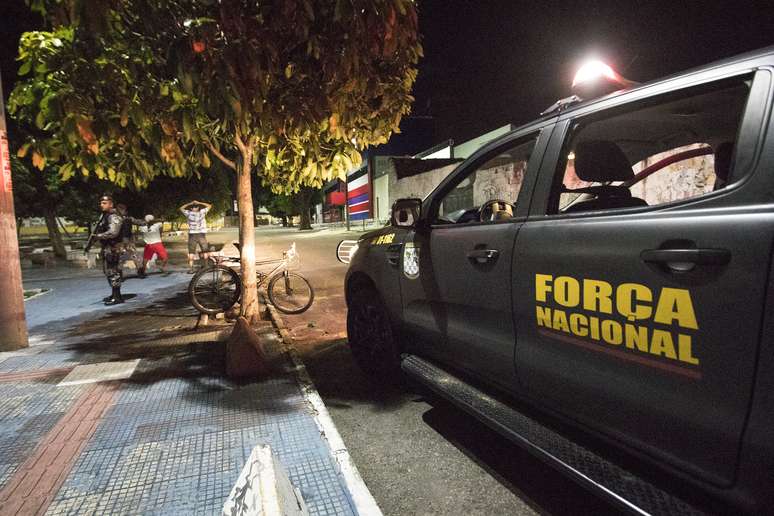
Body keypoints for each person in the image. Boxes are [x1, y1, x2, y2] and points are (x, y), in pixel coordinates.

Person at [92, 195, 125, 305]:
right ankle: (115, 294)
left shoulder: (114, 216)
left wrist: (99, 236)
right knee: (109, 271)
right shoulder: (105, 216)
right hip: (108, 247)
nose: (101, 205)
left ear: (111, 204)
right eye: (101, 203)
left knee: (113, 271)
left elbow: (113, 232)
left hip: (114, 248)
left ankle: (117, 297)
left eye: (104, 203)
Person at [180, 200, 213, 273]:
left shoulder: (188, 213)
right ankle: (206, 267)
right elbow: (209, 206)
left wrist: (189, 203)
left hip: (192, 235)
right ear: (198, 208)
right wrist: (199, 203)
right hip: (201, 234)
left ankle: (191, 269)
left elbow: (181, 208)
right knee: (205, 251)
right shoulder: (202, 212)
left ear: (191, 209)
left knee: (191, 252)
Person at [116, 203, 141, 276]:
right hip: (123, 240)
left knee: (126, 256)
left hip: (125, 240)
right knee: (122, 256)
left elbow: (138, 222)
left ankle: (139, 270)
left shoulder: (127, 218)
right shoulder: (127, 218)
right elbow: (139, 222)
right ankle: (139, 271)